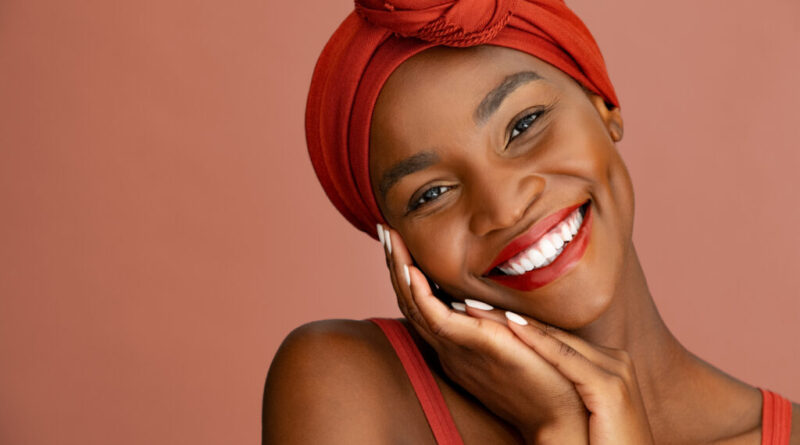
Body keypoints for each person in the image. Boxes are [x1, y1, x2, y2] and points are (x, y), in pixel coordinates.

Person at [263, 0, 798, 443]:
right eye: (432, 193)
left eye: (523, 125)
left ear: (602, 104)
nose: (504, 208)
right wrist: (559, 425)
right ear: (398, 244)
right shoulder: (349, 386)